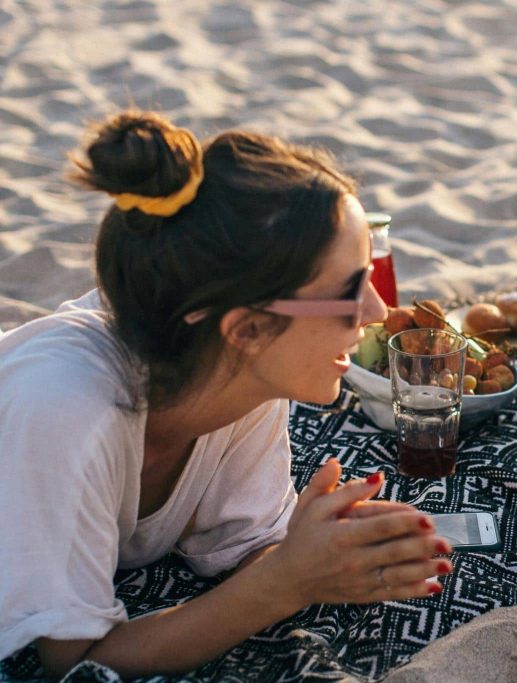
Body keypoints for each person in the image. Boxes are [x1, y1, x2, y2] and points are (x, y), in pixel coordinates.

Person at [0, 112, 454, 678]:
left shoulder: (241, 379)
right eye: (349, 292)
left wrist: (327, 554)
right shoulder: (68, 411)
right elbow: (74, 663)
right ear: (245, 329)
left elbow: (247, 550)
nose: (377, 313)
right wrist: (286, 582)